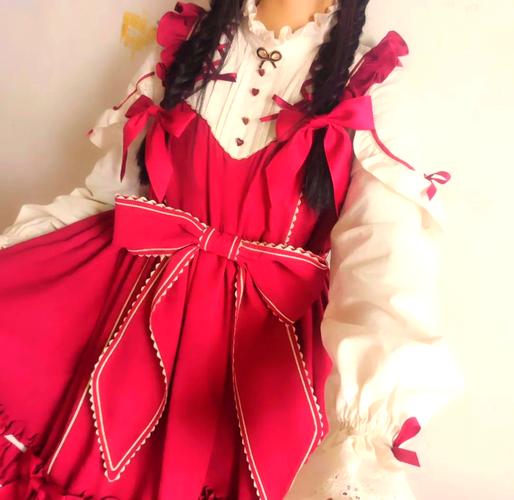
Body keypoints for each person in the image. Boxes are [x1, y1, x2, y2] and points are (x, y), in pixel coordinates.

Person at [0, 0, 465, 498]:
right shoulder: (188, 41)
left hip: (260, 346)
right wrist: (20, 249)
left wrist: (365, 433)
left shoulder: (369, 84)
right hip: (131, 316)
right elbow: (109, 195)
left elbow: (383, 266)